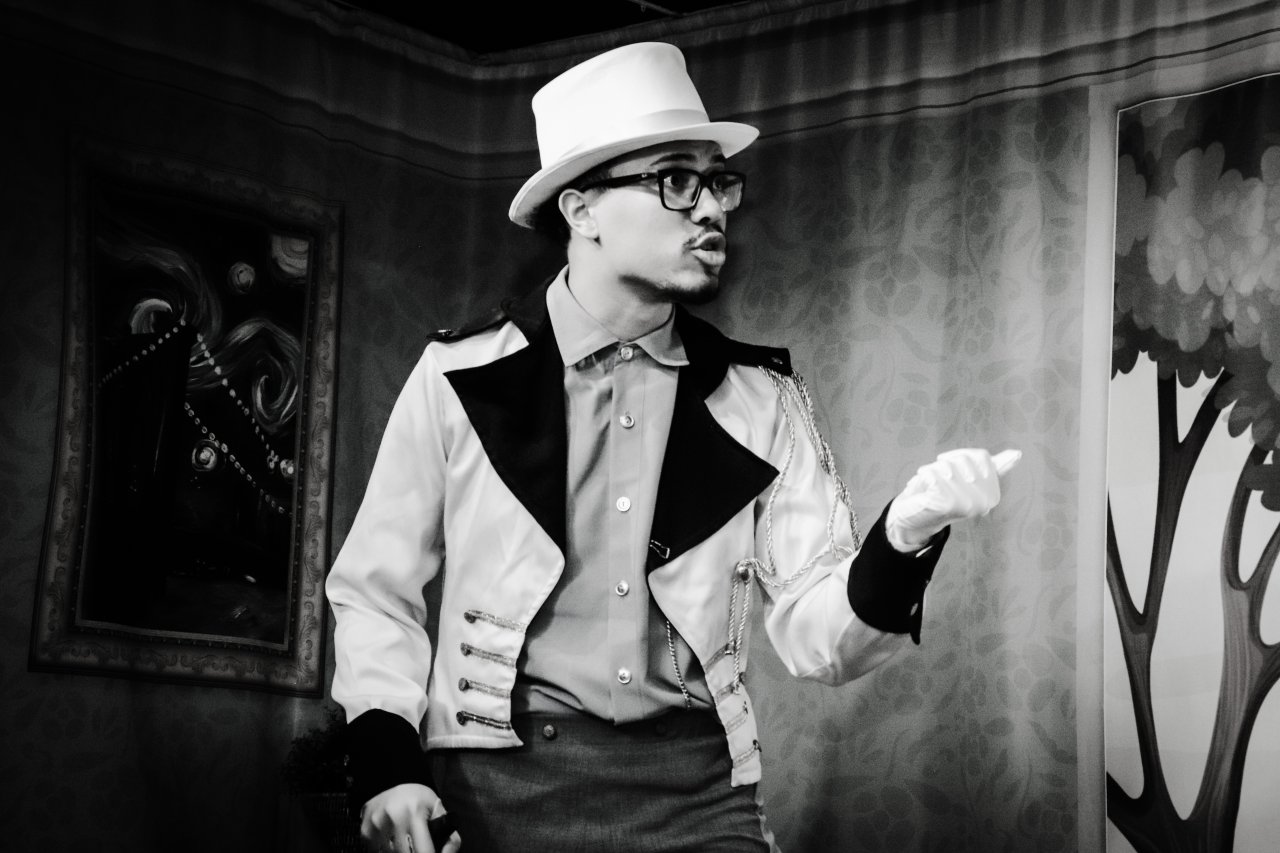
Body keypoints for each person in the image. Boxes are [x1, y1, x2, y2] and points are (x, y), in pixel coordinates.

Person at [325, 41, 1019, 853]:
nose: (712, 208)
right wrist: (387, 763)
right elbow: (376, 590)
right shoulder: (457, 374)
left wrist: (903, 536)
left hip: (697, 795)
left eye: (718, 182)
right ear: (581, 210)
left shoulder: (762, 398)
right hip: (495, 786)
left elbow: (818, 636)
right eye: (676, 181)